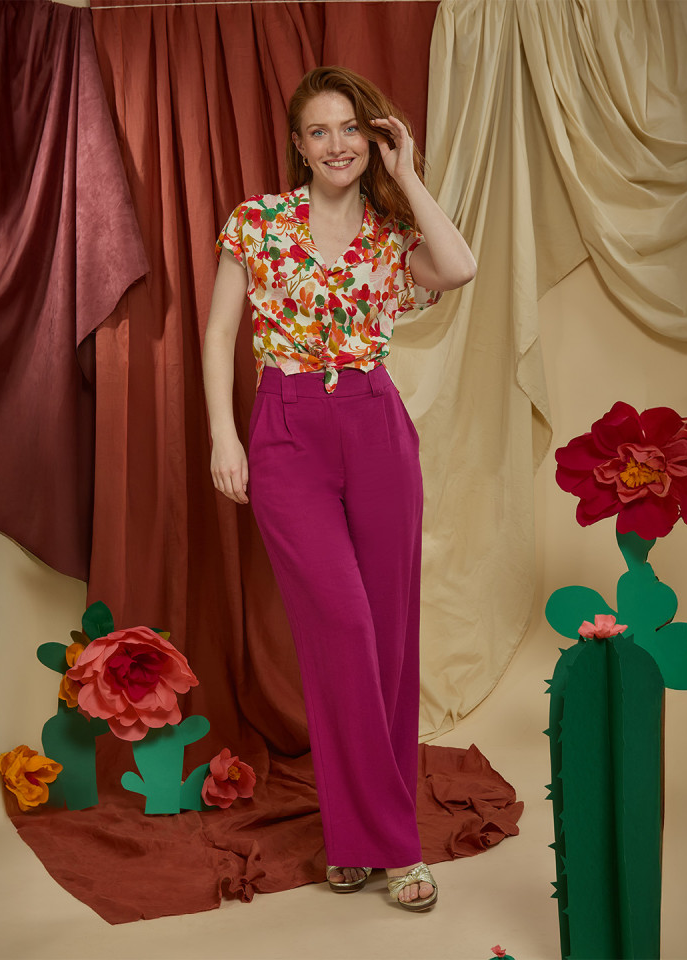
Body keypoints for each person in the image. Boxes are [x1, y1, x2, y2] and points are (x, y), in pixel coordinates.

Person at [203, 66, 476, 912]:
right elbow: (218, 333)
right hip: (286, 431)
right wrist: (223, 436)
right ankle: (396, 847)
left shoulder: (394, 236)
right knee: (344, 631)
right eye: (319, 131)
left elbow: (461, 266)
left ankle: (355, 837)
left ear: (373, 136)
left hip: (376, 424)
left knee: (389, 641)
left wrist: (408, 174)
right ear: (298, 144)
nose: (336, 145)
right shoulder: (257, 222)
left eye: (351, 128)